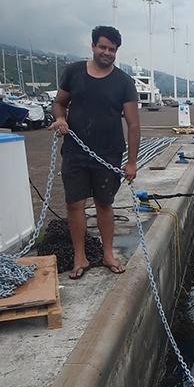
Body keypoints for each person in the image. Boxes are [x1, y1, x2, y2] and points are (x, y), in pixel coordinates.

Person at [49, 25, 139, 279]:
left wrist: (131, 162)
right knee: (74, 204)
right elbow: (59, 102)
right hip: (76, 152)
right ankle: (80, 256)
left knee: (104, 204)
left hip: (109, 154)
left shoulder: (124, 82)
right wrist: (60, 119)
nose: (107, 52)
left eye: (112, 49)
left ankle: (107, 253)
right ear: (93, 46)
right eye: (103, 47)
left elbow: (133, 124)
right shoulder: (73, 72)